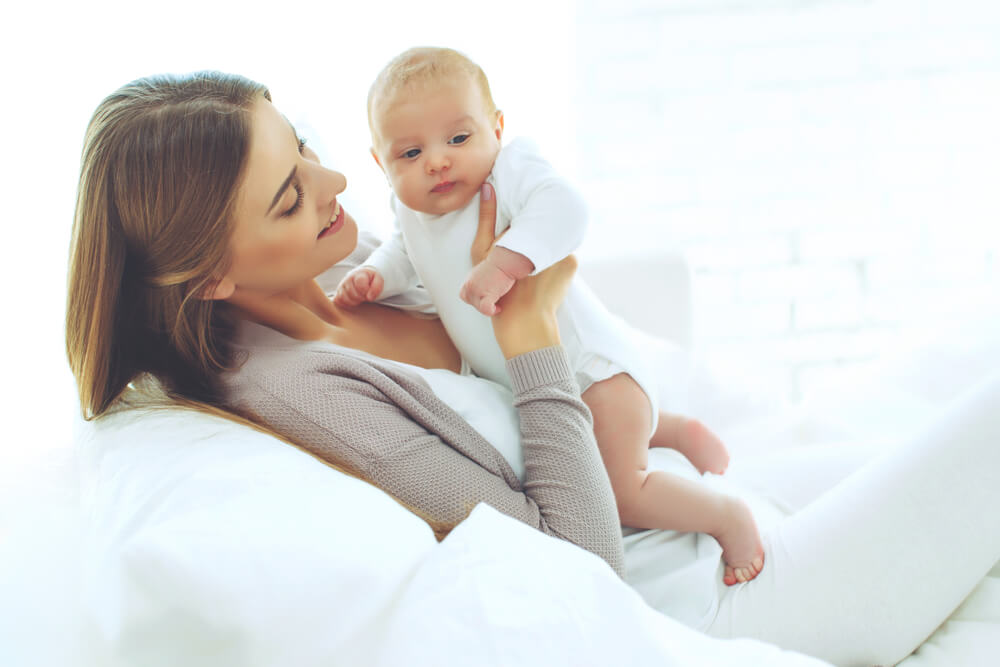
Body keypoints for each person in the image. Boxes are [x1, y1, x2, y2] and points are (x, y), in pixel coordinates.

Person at [65, 70, 1000, 666]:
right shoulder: (304, 395)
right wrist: (532, 332)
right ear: (213, 275)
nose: (338, 183)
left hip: (689, 514)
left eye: (304, 144)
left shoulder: (340, 272)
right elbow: (579, 568)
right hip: (719, 601)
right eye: (288, 194)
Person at [333, 46, 763, 585]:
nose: (437, 161)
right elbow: (405, 251)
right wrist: (377, 276)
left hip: (594, 375)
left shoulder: (509, 171)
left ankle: (727, 516)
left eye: (459, 139)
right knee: (602, 438)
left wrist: (504, 263)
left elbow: (566, 209)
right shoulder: (411, 210)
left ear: (498, 127)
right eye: (410, 153)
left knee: (621, 491)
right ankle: (672, 429)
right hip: (548, 388)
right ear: (379, 162)